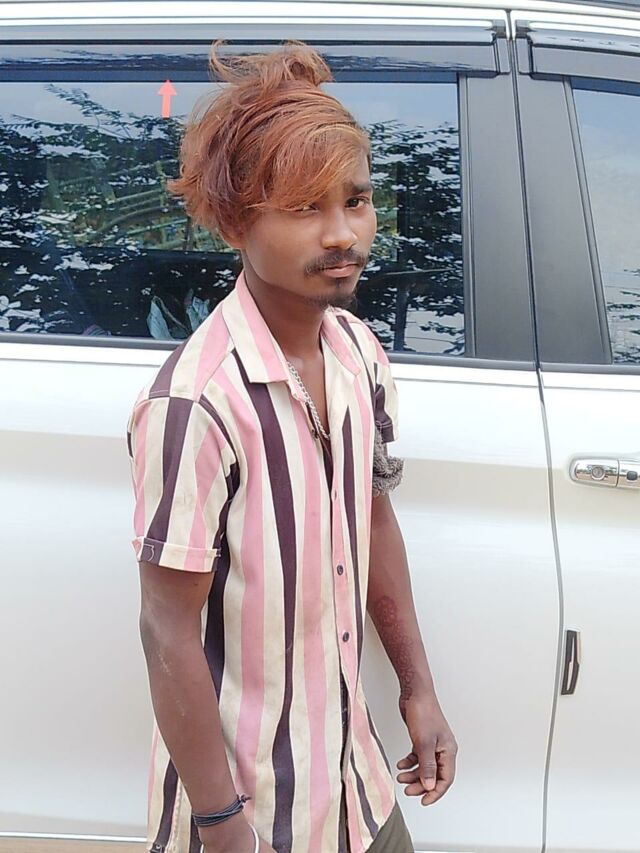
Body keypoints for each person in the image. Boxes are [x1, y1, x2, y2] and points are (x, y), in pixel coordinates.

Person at [126, 40, 458, 853]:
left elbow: (372, 519)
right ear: (238, 221)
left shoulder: (357, 352)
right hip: (249, 811)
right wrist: (221, 826)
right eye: (307, 207)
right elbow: (167, 631)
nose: (344, 233)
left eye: (357, 199)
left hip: (356, 788)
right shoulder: (196, 404)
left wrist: (418, 688)